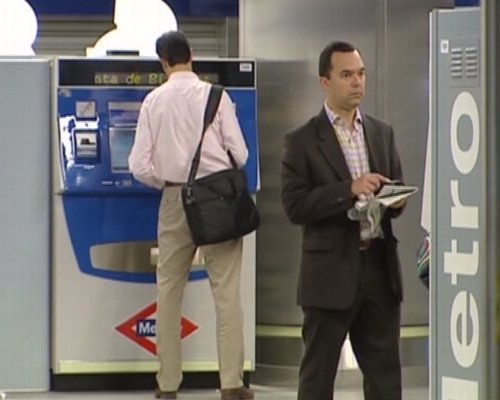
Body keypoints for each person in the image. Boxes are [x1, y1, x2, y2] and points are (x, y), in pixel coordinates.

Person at [128, 31, 254, 400]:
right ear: (192, 55)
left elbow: (139, 165)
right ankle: (231, 384)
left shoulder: (153, 101)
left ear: (163, 62)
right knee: (226, 294)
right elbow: (241, 154)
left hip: (174, 198)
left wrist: (168, 182)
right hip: (217, 199)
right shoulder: (217, 96)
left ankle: (168, 384)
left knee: (168, 291)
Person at [280, 41, 407, 400]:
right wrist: (349, 189)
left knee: (385, 378)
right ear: (325, 82)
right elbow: (295, 206)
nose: (357, 82)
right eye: (347, 75)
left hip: (379, 269)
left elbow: (396, 186)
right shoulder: (302, 140)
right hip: (329, 274)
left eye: (361, 74)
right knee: (318, 378)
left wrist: (395, 200)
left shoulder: (382, 132)